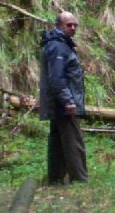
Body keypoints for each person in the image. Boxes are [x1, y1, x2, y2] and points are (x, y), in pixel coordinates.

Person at [38, 11, 88, 185]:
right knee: (73, 140)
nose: (73, 28)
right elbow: (56, 78)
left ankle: (56, 178)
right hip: (62, 104)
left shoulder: (58, 45)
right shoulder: (58, 47)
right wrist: (68, 100)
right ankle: (80, 178)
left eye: (75, 25)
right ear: (59, 25)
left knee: (58, 141)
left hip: (56, 103)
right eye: (69, 25)